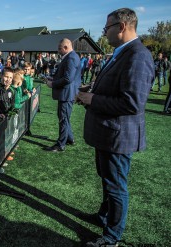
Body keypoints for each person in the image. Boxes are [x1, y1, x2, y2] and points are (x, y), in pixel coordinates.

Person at [76, 8, 154, 247]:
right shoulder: (123, 52)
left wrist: (93, 100)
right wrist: (94, 89)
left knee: (116, 185)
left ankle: (112, 237)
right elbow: (117, 87)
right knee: (107, 178)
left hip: (117, 135)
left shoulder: (138, 55)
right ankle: (104, 216)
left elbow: (133, 102)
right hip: (109, 132)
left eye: (107, 28)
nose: (104, 32)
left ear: (121, 27)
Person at [44, 38, 81, 152]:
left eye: (60, 48)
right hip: (66, 93)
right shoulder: (70, 57)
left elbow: (68, 78)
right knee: (64, 117)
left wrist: (53, 84)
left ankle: (61, 144)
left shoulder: (71, 58)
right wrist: (52, 78)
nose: (58, 51)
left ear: (66, 47)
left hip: (67, 94)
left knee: (63, 119)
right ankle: (69, 138)